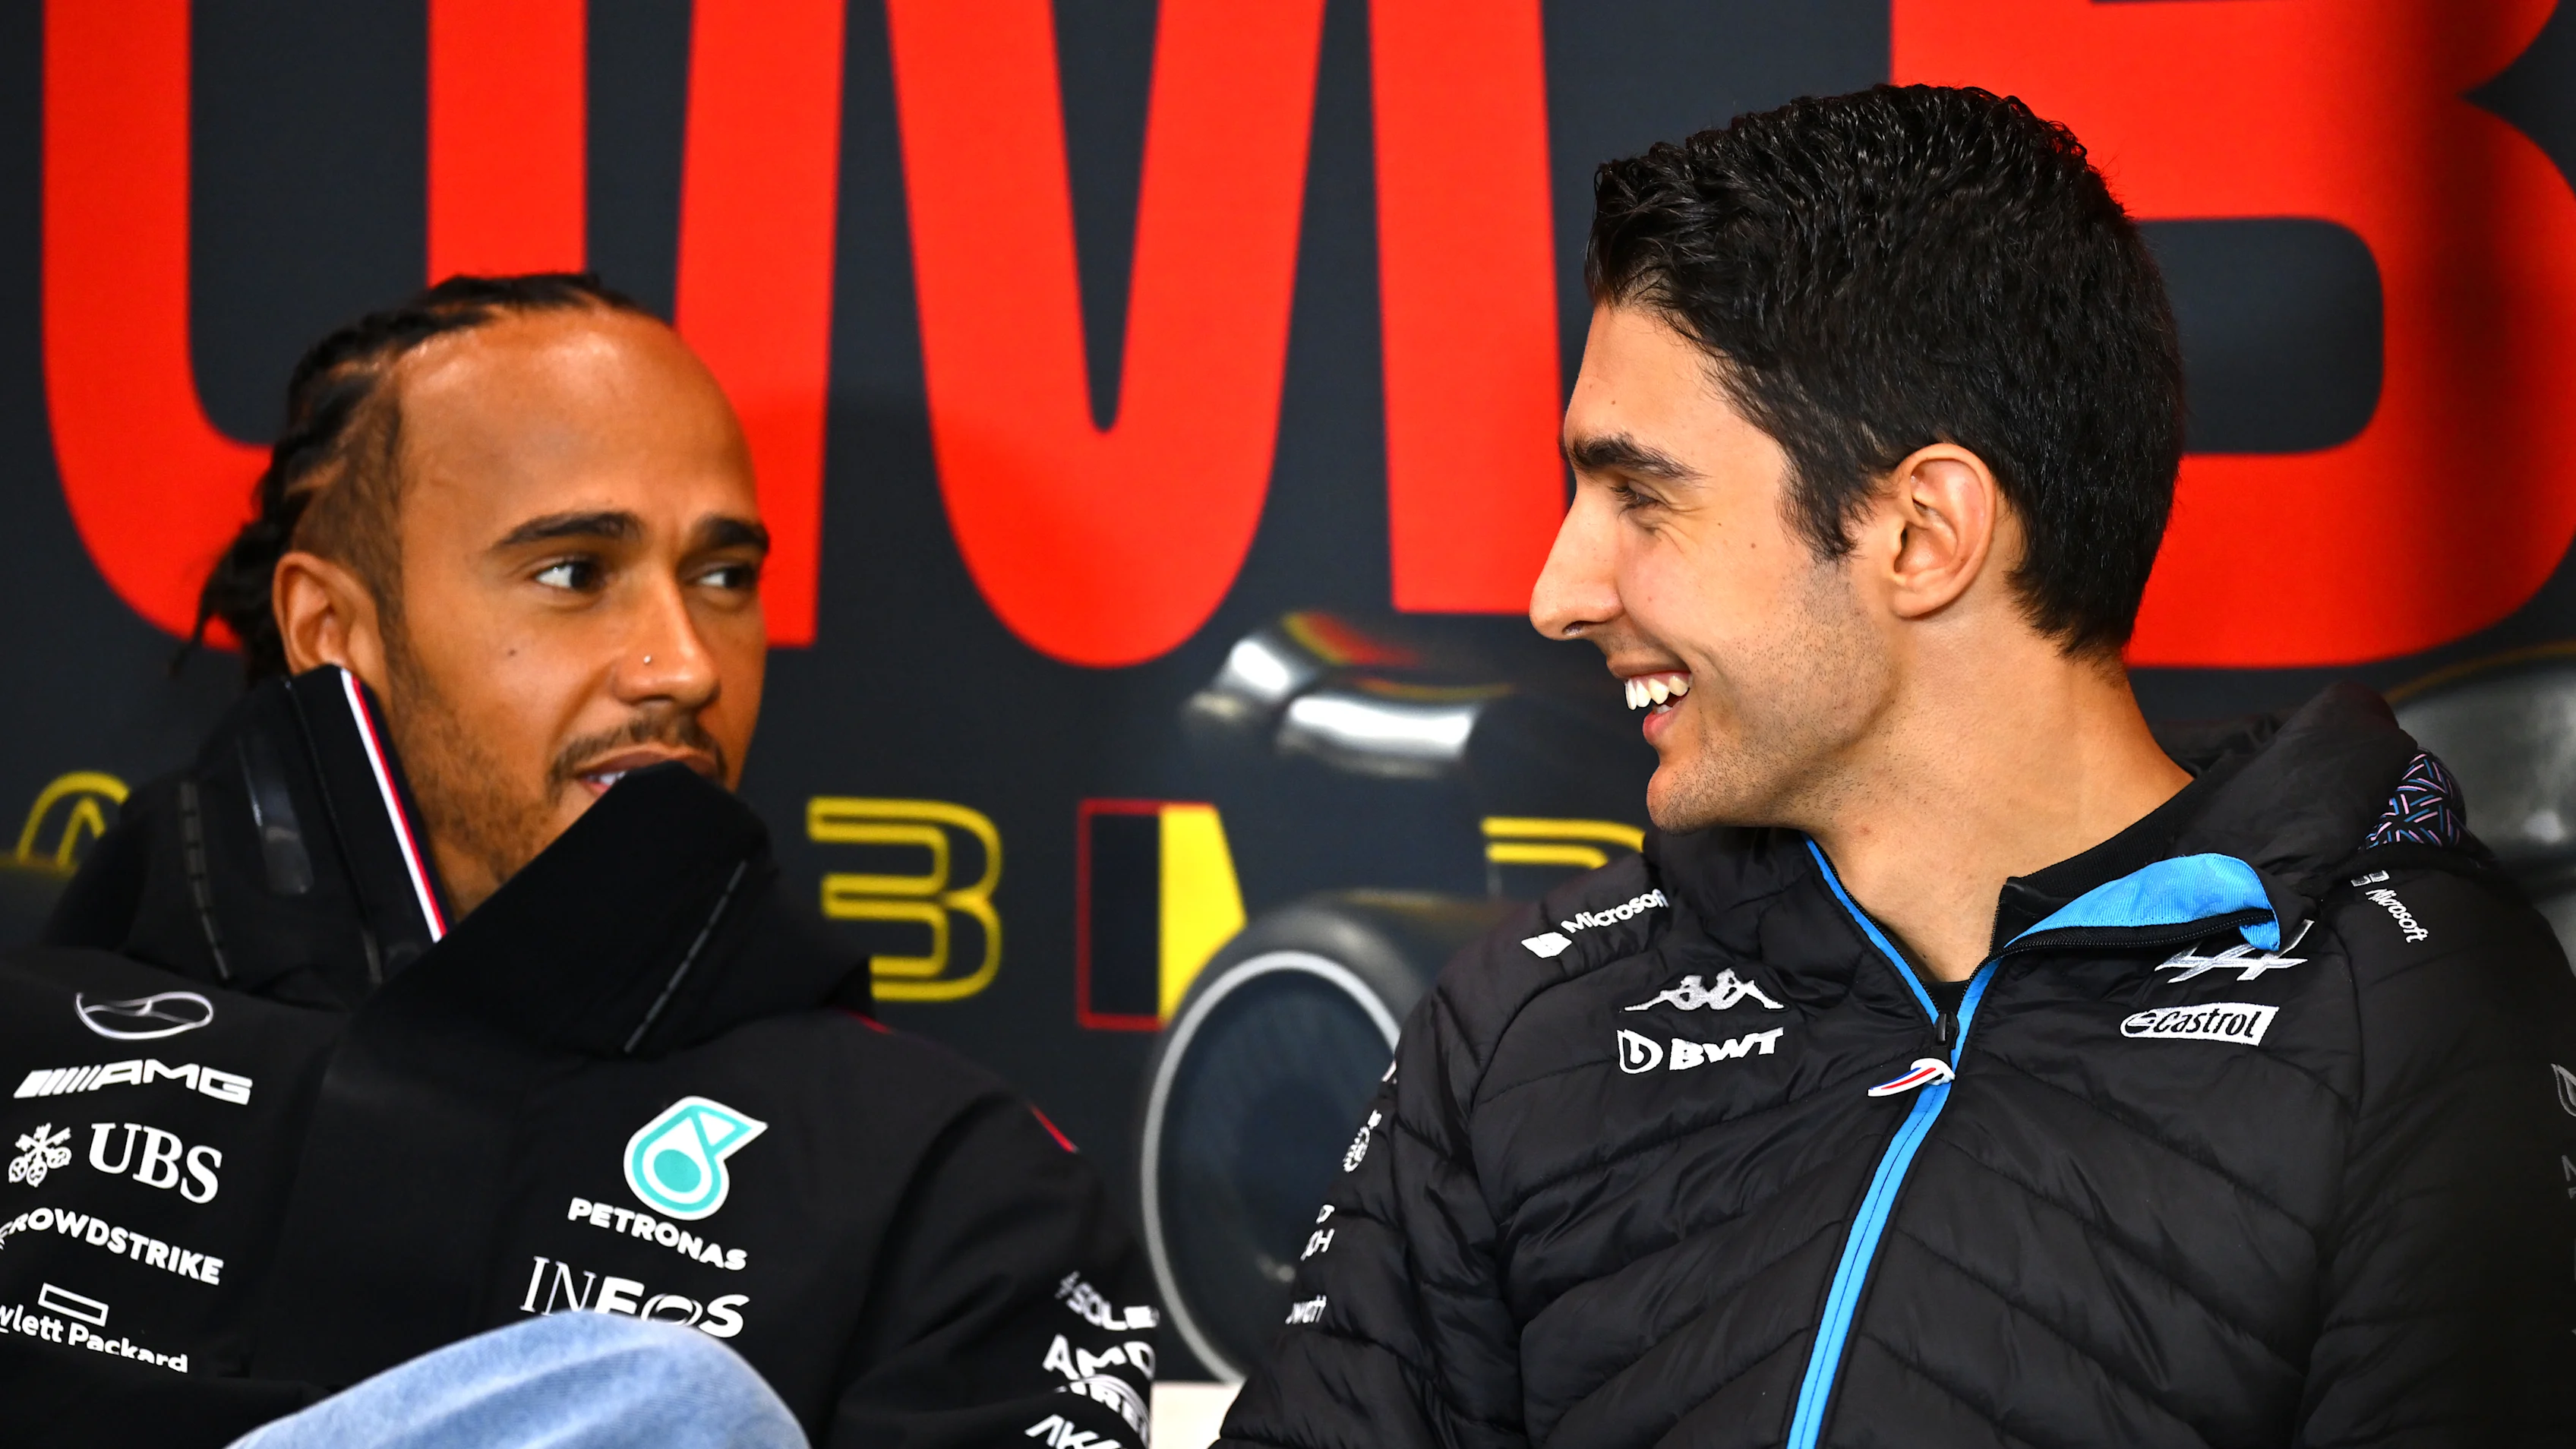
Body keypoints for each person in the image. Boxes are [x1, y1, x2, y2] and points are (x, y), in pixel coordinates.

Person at [1220, 85, 2576, 1448]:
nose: (1559, 592)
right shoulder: (1520, 1030)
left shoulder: (2408, 1016)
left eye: (1642, 496)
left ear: (1923, 533)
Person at [0, 275, 1159, 1448]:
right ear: (332, 630)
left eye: (723, 579)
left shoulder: (947, 1182)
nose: (684, 664)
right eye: (574, 573)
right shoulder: (32, 1037)